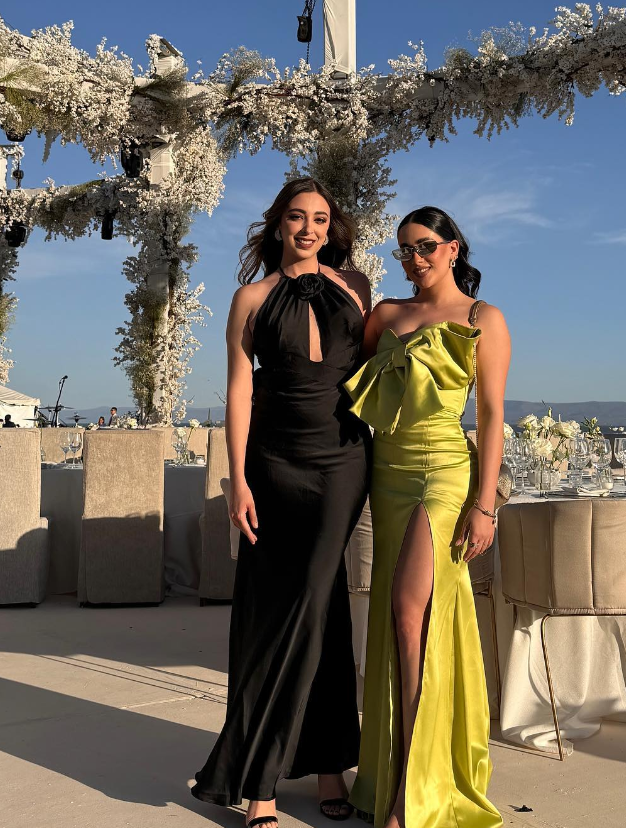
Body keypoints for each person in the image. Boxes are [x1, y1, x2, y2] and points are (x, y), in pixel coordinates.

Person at [191, 177, 372, 828]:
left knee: (316, 602)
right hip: (273, 462)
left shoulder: (357, 289)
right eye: (297, 217)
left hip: (344, 460)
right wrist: (237, 479)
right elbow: (239, 391)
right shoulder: (252, 298)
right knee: (287, 609)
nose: (308, 229)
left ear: (331, 228)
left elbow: (380, 373)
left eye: (320, 219)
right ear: (277, 225)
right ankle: (270, 780)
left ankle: (317, 764)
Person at [344, 207, 509, 828]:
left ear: (453, 248)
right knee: (397, 616)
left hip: (445, 472)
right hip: (386, 472)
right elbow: (350, 392)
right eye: (405, 250)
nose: (414, 259)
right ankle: (396, 776)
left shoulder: (483, 318)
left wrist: (484, 504)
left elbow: (490, 415)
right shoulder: (385, 316)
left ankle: (410, 794)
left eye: (426, 247)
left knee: (410, 610)